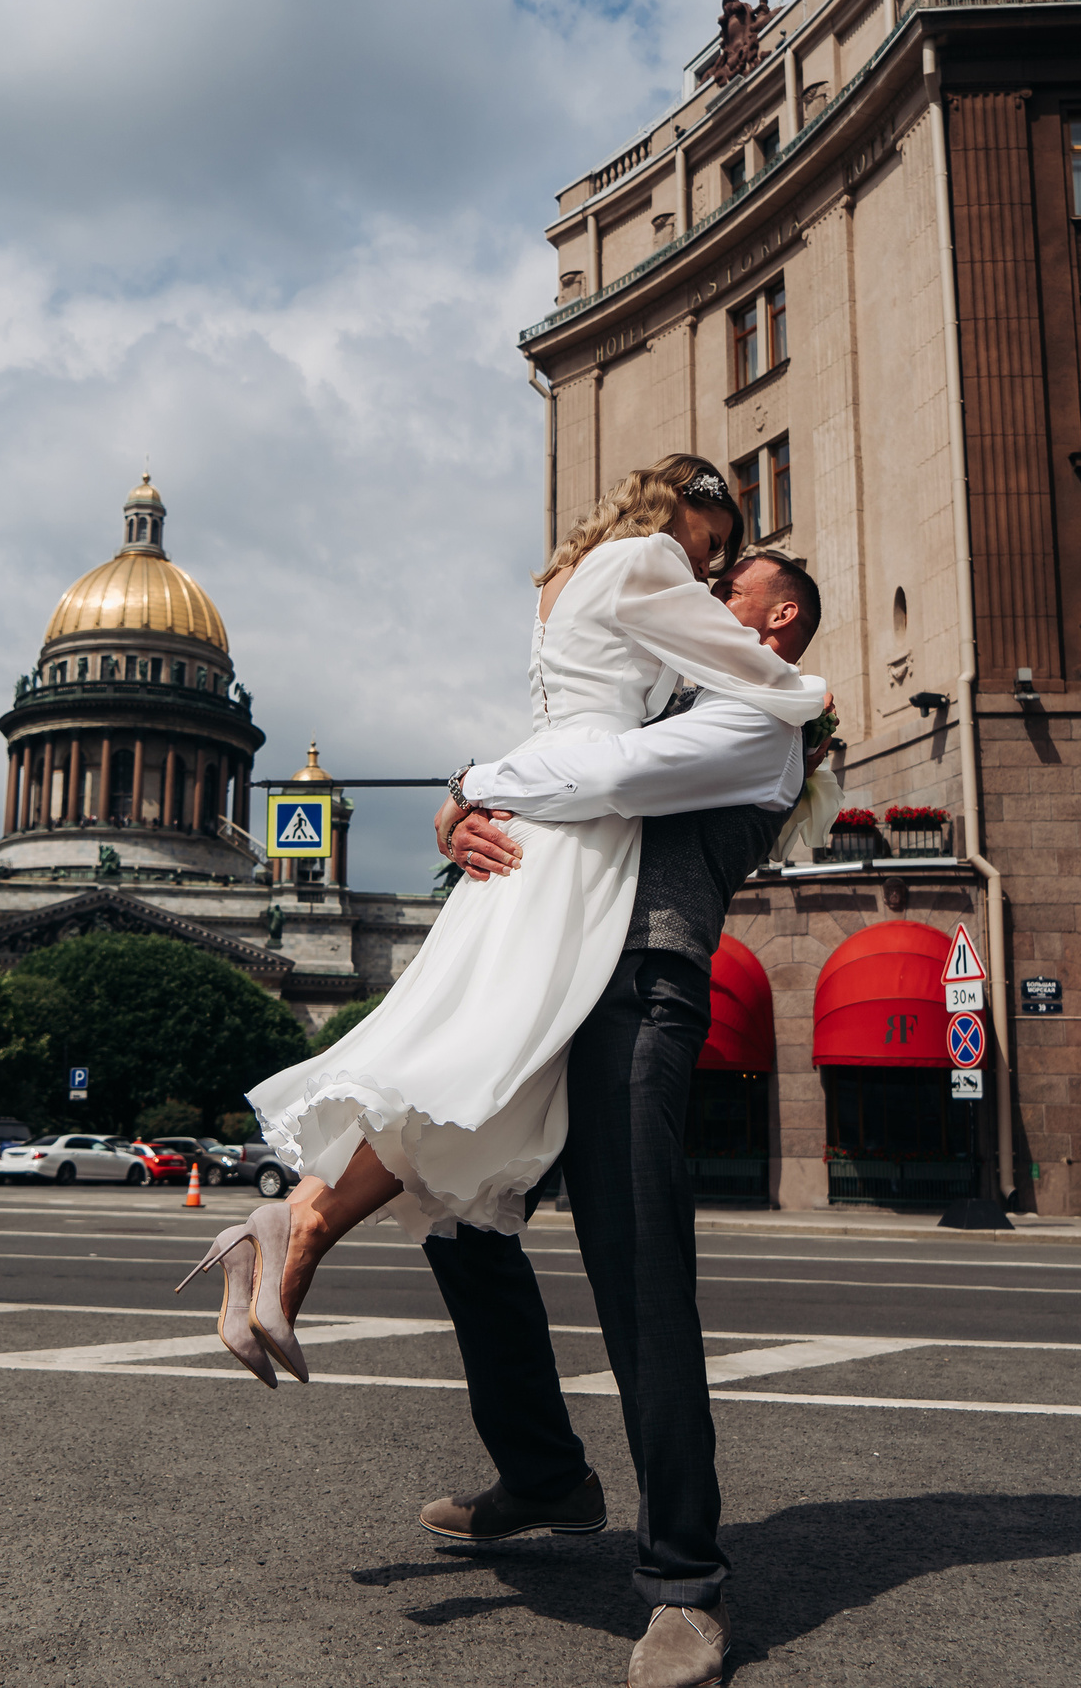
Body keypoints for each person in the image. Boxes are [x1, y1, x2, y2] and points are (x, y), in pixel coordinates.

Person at [179, 459, 821, 1401]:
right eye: (711, 548)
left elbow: (609, 724)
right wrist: (812, 698)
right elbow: (670, 724)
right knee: (471, 1069)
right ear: (685, 506)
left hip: (561, 850)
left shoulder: (573, 579)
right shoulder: (650, 563)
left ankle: (298, 1223)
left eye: (729, 574)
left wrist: (473, 787)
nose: (710, 577)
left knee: (466, 1068)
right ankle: (302, 1228)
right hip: (564, 852)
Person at [403, 550, 825, 1687]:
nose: (695, 597)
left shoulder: (755, 723)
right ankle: (544, 1476)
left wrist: (471, 780)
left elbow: (608, 778)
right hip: (550, 976)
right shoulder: (673, 687)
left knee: (639, 1279)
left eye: (723, 587)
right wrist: (458, 819)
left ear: (776, 619)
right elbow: (563, 763)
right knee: (455, 1211)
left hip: (640, 988)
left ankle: (684, 1584)